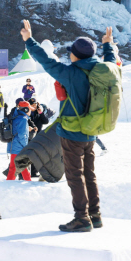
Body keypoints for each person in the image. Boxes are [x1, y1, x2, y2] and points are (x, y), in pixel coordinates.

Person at [21, 20, 116, 232]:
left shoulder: (71, 73)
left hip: (72, 133)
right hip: (91, 131)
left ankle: (82, 218)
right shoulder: (101, 70)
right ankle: (95, 215)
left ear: (76, 55)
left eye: (71, 52)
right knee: (89, 174)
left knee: (75, 175)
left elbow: (46, 61)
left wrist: (29, 40)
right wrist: (108, 45)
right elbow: (111, 61)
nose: (70, 55)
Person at [6, 101, 32, 181]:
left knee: (17, 167)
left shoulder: (16, 117)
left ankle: (10, 183)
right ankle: (28, 183)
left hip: (14, 146)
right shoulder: (23, 119)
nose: (30, 110)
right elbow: (22, 135)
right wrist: (25, 146)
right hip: (19, 147)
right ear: (26, 109)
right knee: (19, 167)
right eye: (29, 109)